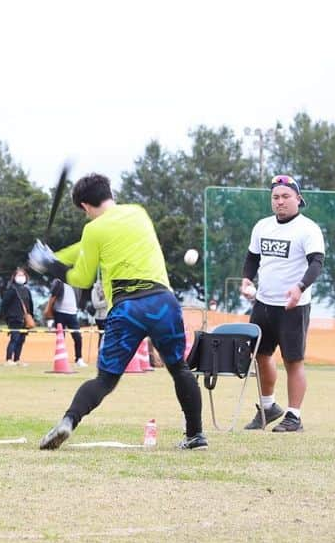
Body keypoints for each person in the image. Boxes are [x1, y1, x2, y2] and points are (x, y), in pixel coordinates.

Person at [29, 173, 206, 450]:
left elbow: (82, 277)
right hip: (162, 300)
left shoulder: (94, 230)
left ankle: (68, 421)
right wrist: (55, 256)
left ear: (85, 207)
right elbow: (85, 248)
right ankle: (196, 436)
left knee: (105, 380)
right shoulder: (138, 213)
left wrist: (50, 266)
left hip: (128, 307)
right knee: (179, 369)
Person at [240, 174, 326, 433]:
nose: (280, 201)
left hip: (293, 306)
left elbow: (316, 263)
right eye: (275, 197)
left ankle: (294, 416)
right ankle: (268, 408)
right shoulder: (262, 226)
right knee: (260, 356)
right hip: (264, 303)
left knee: (293, 360)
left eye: (286, 196)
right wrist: (246, 280)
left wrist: (300, 288)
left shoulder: (308, 228)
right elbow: (252, 258)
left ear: (298, 199)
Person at [48, 278, 85, 367]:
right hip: (60, 313)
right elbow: (53, 296)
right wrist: (49, 310)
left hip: (72, 313)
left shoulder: (77, 283)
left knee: (77, 337)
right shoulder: (58, 282)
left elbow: (79, 297)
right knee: (61, 338)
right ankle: (61, 358)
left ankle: (79, 358)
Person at [2, 268, 33, 366]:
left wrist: (31, 316)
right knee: (14, 339)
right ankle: (9, 359)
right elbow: (4, 304)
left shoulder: (27, 290)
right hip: (14, 318)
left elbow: (30, 305)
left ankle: (17, 359)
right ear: (14, 277)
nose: (21, 277)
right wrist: (7, 317)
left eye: (23, 275)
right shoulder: (11, 290)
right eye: (19, 275)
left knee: (21, 340)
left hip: (25, 319)